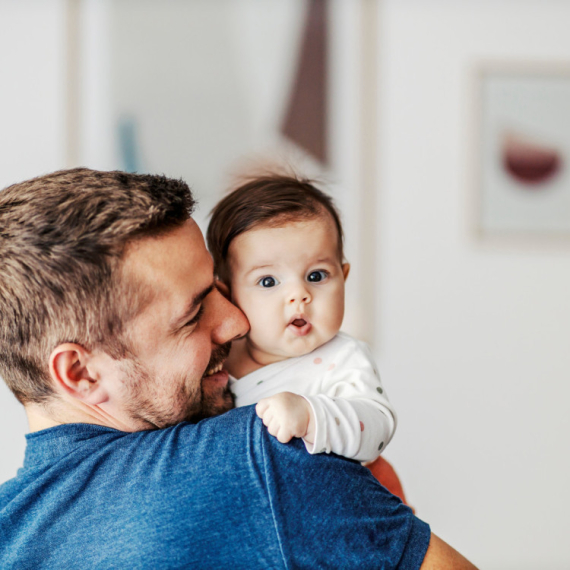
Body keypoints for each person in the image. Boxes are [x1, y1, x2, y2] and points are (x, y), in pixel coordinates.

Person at [0, 168, 477, 569]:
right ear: (80, 373)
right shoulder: (265, 457)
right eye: (192, 314)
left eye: (220, 290)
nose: (235, 322)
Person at [207, 175, 395, 466]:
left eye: (316, 276)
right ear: (229, 296)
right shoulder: (218, 359)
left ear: (343, 279)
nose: (299, 294)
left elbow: (378, 427)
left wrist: (309, 414)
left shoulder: (342, 358)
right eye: (268, 281)